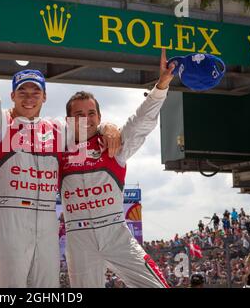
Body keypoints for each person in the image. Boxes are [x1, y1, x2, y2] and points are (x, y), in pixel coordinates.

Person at [0, 0, 121, 287]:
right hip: (11, 219)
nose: (29, 98)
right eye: (22, 92)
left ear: (44, 96)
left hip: (48, 222)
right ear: (12, 95)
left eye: (35, 93)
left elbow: (90, 124)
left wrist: (109, 126)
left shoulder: (57, 129)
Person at [59, 49, 175, 288]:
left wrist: (161, 85)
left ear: (99, 116)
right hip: (78, 239)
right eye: (79, 114)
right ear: (69, 120)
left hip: (115, 234)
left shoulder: (113, 144)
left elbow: (141, 122)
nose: (87, 119)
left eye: (92, 113)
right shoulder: (57, 149)